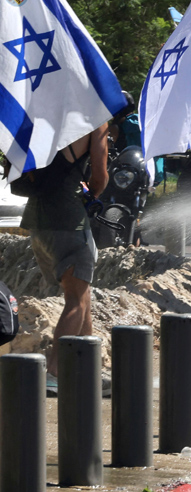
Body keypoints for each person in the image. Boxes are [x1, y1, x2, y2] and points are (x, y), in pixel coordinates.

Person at [16, 124, 112, 397]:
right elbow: (100, 176)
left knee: (82, 295)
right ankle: (55, 373)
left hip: (37, 222)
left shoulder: (44, 110)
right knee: (75, 299)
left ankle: (89, 368)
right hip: (69, 221)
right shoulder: (93, 118)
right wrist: (90, 196)